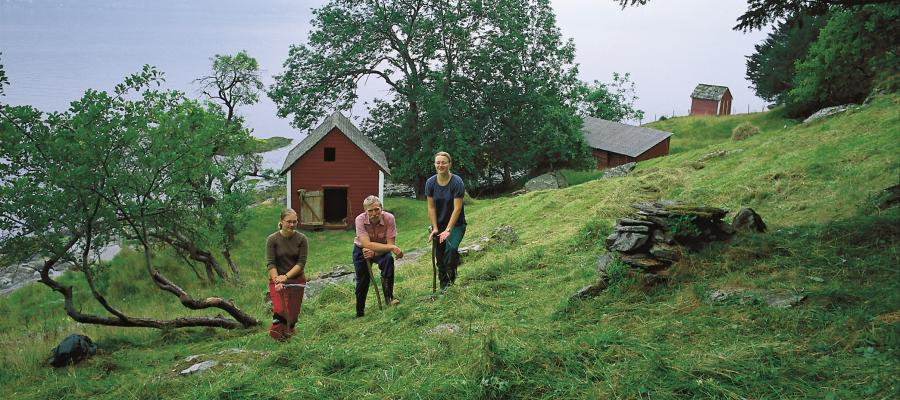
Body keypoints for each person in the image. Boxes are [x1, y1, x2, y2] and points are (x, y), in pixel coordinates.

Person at [353, 195, 404, 317]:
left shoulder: (389, 218)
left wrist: (376, 253)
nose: (374, 213)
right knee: (363, 279)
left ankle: (389, 299)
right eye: (370, 211)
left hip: (382, 249)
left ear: (382, 208)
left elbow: (390, 243)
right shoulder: (359, 220)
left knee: (388, 260)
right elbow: (366, 244)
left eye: (377, 209)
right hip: (362, 250)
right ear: (365, 211)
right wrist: (391, 248)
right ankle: (360, 312)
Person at [426, 151, 466, 293]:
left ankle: (450, 284)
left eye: (444, 162)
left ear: (449, 164)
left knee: (452, 250)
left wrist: (448, 230)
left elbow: (457, 209)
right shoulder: (430, 183)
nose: (440, 165)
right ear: (435, 164)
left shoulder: (457, 182)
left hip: (456, 225)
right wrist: (436, 228)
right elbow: (431, 207)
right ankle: (443, 287)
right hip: (439, 225)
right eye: (438, 162)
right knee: (440, 257)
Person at [266, 208, 308, 341]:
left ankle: (289, 336)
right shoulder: (272, 240)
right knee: (280, 310)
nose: (292, 225)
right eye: (288, 221)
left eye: (294, 222)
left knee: (293, 315)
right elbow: (271, 263)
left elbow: (301, 263)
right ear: (281, 222)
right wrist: (277, 280)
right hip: (277, 279)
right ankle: (277, 337)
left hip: (296, 280)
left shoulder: (302, 239)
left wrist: (287, 277)